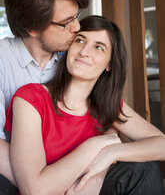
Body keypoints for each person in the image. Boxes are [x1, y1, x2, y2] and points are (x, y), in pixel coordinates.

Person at [5, 16, 165, 195]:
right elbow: (35, 190)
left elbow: (162, 145)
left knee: (144, 170)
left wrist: (111, 153)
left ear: (109, 64)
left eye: (98, 47)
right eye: (80, 40)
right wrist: (97, 144)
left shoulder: (107, 105)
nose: (84, 52)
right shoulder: (31, 98)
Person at [0, 0, 91, 194]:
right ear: (32, 27)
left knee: (139, 171)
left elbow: (105, 111)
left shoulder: (75, 57)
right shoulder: (3, 60)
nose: (77, 28)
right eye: (66, 22)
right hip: (20, 175)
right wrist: (46, 184)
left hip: (73, 163)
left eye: (77, 15)